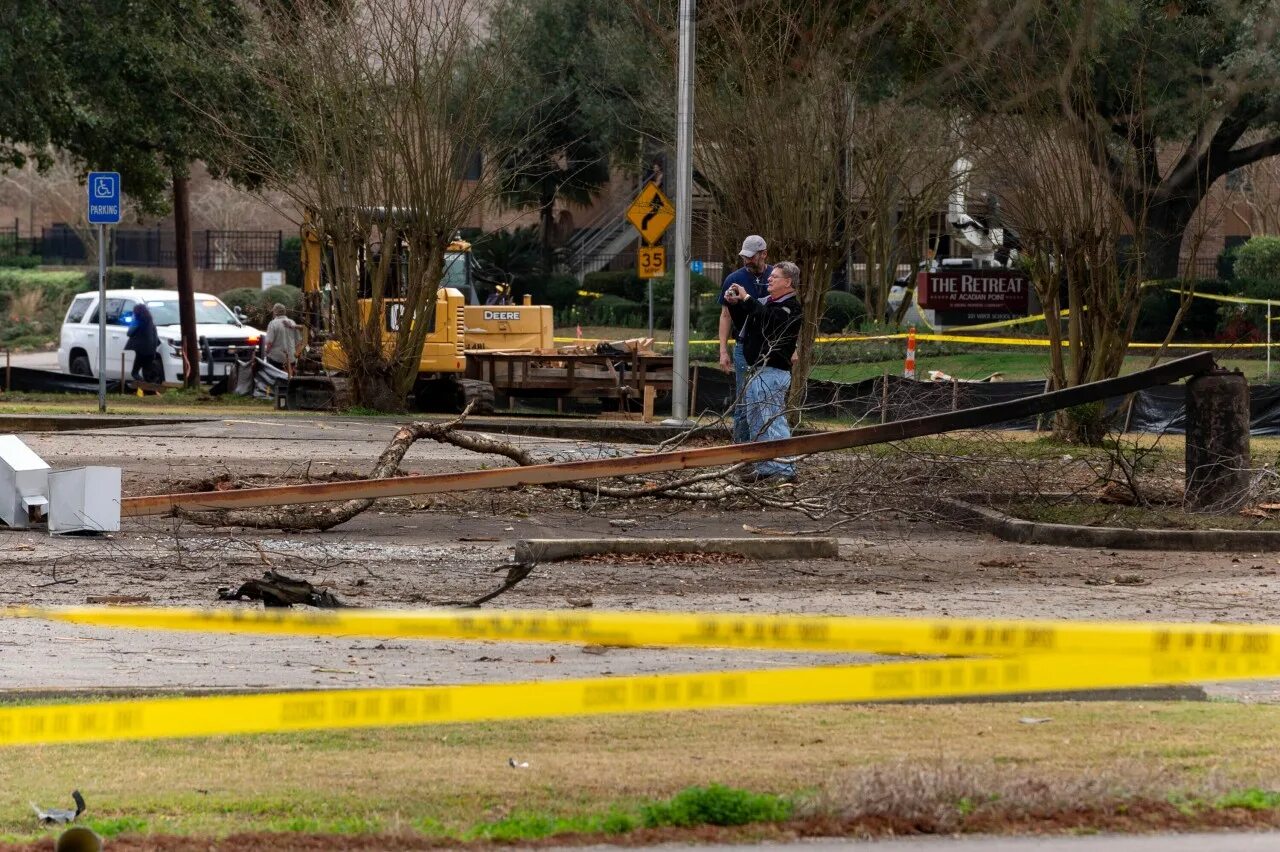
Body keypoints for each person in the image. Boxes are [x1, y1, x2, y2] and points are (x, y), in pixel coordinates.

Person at [723, 260, 803, 484]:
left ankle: (786, 470)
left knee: (772, 420)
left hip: (774, 372)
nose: (769, 279)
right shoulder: (767, 302)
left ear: (787, 282)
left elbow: (770, 320)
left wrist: (748, 299)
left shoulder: (791, 308)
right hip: (757, 369)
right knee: (756, 420)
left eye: (774, 277)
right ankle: (766, 467)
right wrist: (735, 304)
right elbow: (747, 322)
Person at [718, 235, 772, 443]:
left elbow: (785, 315)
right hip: (744, 346)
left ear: (763, 254)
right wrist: (723, 351)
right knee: (744, 402)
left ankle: (766, 449)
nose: (747, 261)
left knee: (768, 401)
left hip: (770, 346)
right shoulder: (734, 279)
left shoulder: (775, 276)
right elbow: (725, 316)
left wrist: (791, 347)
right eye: (744, 257)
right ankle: (741, 452)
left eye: (751, 257)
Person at [125, 302, 162, 384]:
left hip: (142, 351)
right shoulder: (150, 322)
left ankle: (143, 385)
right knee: (147, 370)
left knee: (135, 372)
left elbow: (129, 333)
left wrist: (133, 320)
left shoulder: (138, 321)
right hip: (151, 350)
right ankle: (153, 385)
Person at [264, 303, 301, 371]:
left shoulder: (272, 324)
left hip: (277, 360)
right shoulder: (292, 322)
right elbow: (298, 343)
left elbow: (269, 343)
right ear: (284, 312)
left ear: (275, 312)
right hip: (291, 360)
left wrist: (265, 353)